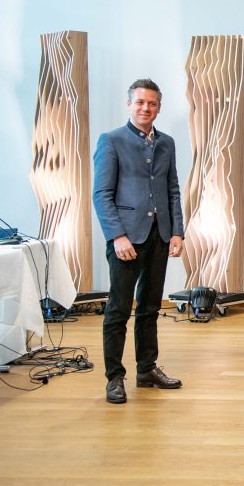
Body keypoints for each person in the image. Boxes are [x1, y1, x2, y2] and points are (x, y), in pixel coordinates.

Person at [93, 79, 184, 404]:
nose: (146, 108)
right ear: (129, 104)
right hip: (126, 240)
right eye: (141, 102)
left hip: (159, 236)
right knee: (118, 310)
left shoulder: (167, 143)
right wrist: (116, 235)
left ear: (159, 107)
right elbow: (102, 195)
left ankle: (146, 369)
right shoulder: (112, 141)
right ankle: (115, 378)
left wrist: (176, 231)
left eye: (153, 104)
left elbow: (172, 189)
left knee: (150, 308)